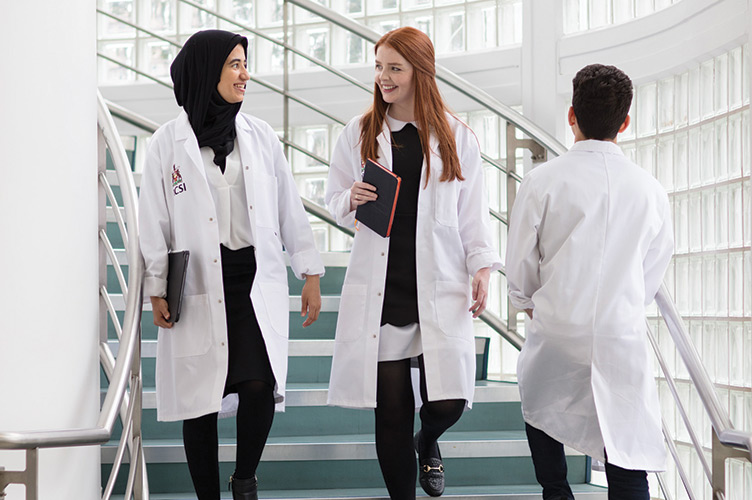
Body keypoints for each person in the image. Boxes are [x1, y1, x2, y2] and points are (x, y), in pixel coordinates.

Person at [138, 29, 324, 500]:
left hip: (250, 277)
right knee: (200, 400)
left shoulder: (259, 136)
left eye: (245, 63)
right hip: (197, 280)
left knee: (259, 385)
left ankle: (244, 479)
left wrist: (310, 271)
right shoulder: (166, 143)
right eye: (235, 64)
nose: (246, 74)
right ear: (206, 71)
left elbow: (288, 206)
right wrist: (157, 284)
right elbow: (154, 219)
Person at [325, 27, 502, 499]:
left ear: (420, 73)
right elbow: (332, 199)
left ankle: (430, 440)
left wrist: (481, 267)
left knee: (447, 401)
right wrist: (350, 198)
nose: (383, 77)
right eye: (379, 66)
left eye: (394, 68)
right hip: (383, 292)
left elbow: (471, 216)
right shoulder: (359, 133)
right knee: (391, 416)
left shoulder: (457, 137)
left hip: (438, 287)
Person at [505, 64, 674, 500]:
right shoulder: (650, 189)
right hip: (620, 334)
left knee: (540, 406)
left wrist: (528, 301)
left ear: (571, 115)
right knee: (627, 447)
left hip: (558, 329)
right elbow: (652, 270)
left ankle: (556, 491)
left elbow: (520, 262)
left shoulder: (542, 181)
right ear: (625, 122)